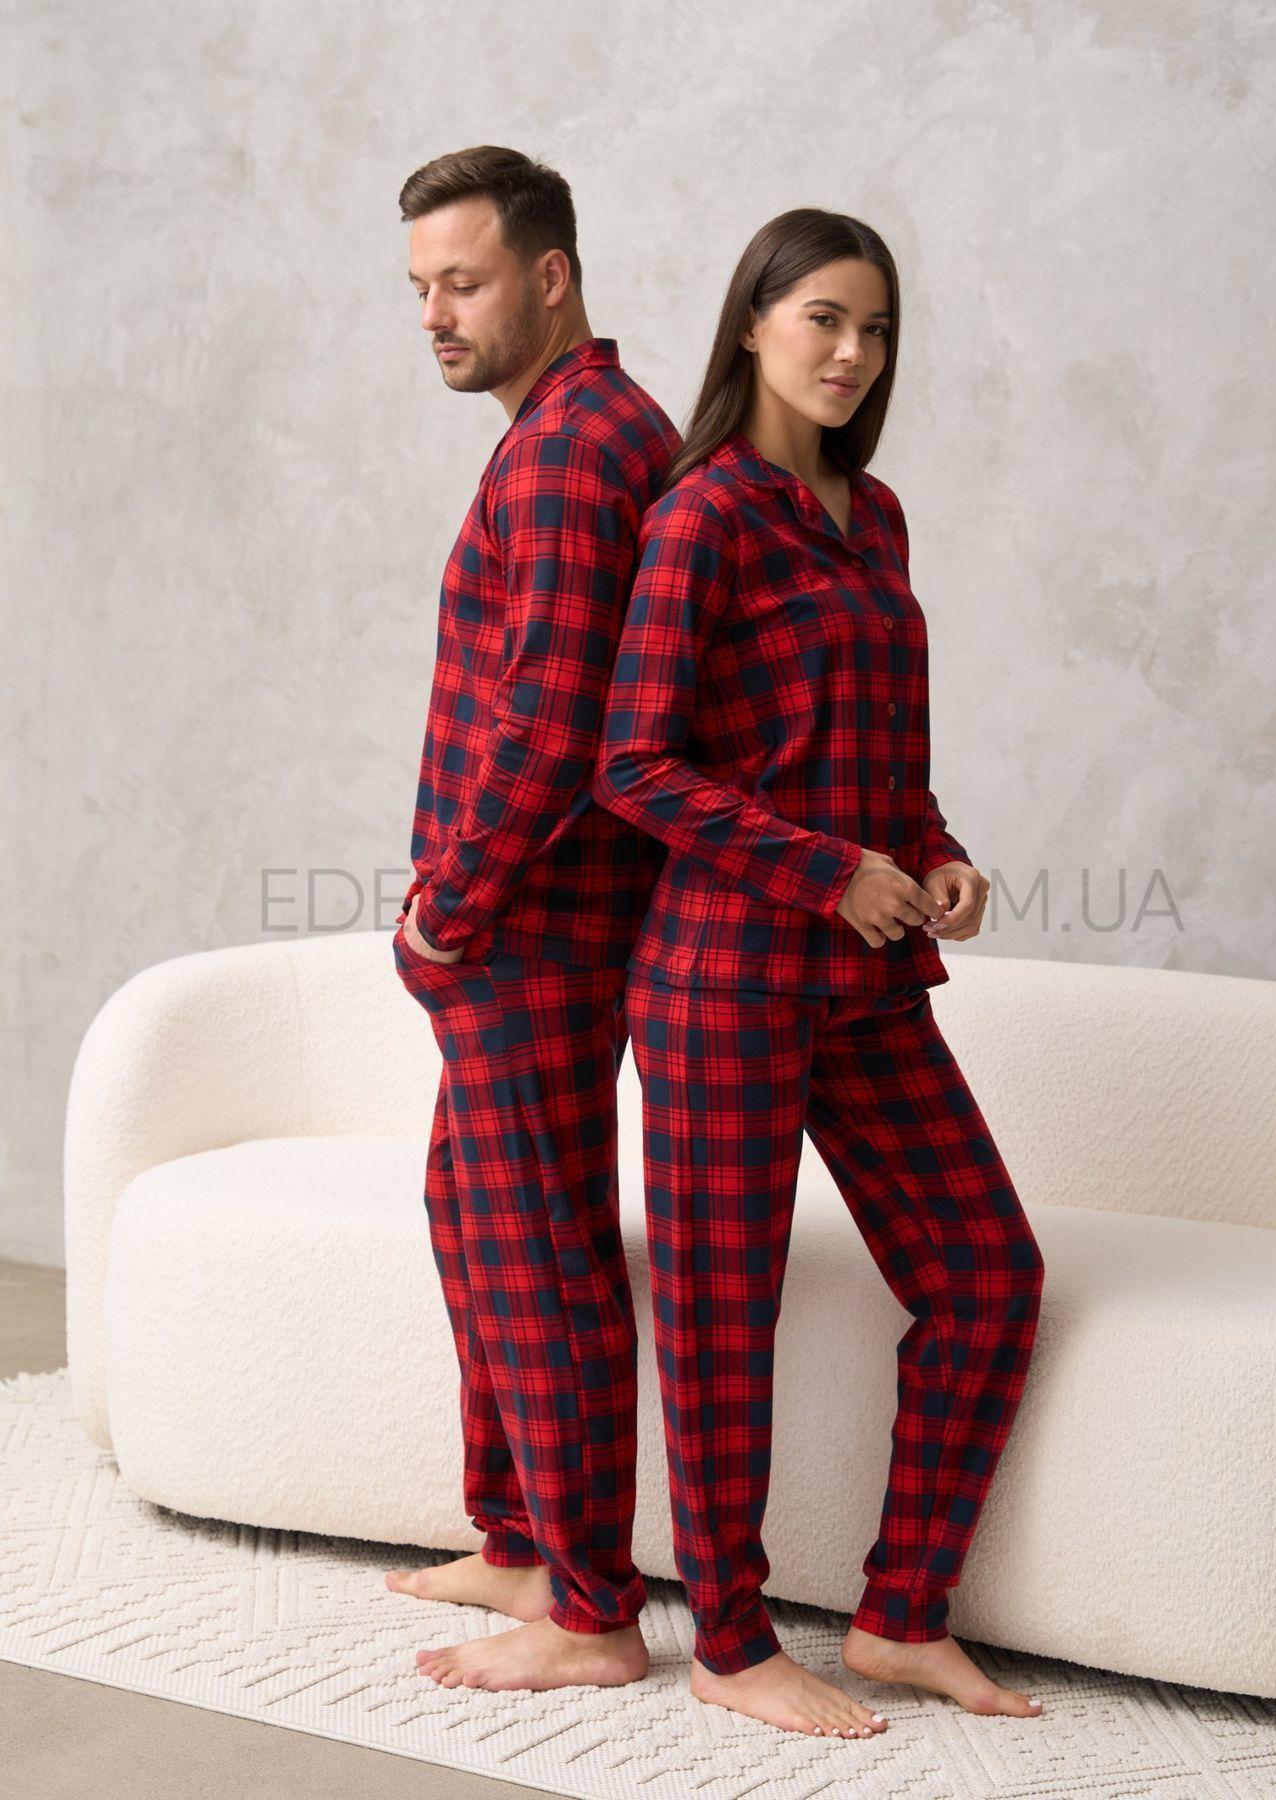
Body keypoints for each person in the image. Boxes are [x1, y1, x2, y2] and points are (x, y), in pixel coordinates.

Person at [591, 208, 1046, 1738]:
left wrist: (934, 852)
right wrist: (826, 871)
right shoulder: (703, 513)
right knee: (724, 1310)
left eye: (876, 328)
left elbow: (883, 759)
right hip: (723, 978)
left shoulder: (876, 515)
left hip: (865, 978)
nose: (853, 353)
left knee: (987, 1274)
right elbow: (632, 763)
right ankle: (729, 1643)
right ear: (752, 325)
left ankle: (902, 1616)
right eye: (823, 320)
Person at [382, 144, 679, 1695]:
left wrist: (450, 907)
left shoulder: (571, 451)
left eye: (466, 281)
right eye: (421, 288)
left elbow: (553, 722)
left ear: (551, 276)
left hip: (536, 923)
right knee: (475, 1208)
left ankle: (591, 1609)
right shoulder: (578, 428)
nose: (437, 314)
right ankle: (518, 1536)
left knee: (541, 1246)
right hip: (525, 922)